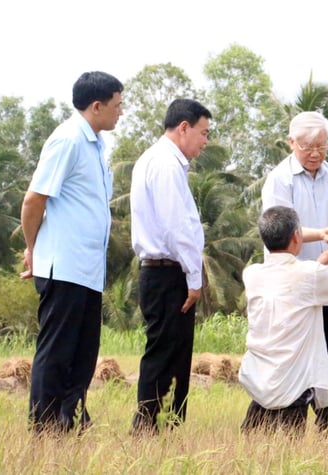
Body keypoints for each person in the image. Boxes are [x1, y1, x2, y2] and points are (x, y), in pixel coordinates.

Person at [20, 71, 123, 434]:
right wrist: (33, 250)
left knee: (83, 354)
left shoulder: (95, 144)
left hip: (87, 268)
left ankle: (70, 422)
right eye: (116, 105)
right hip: (62, 265)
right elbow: (34, 200)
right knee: (57, 352)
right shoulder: (67, 140)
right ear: (96, 106)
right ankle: (44, 426)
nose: (120, 112)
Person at [261, 110, 328, 430]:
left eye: (322, 146)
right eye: (307, 146)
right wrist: (322, 235)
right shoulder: (279, 179)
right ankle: (272, 425)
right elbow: (280, 231)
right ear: (291, 142)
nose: (315, 153)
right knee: (292, 361)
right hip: (292, 287)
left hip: (325, 284)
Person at [239, 205, 328, 434]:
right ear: (296, 237)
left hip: (260, 380)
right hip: (292, 384)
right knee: (285, 458)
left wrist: (319, 264)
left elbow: (291, 288)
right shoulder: (309, 274)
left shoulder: (252, 274)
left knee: (252, 452)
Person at [129, 98, 212, 435]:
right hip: (167, 271)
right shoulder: (165, 164)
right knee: (165, 353)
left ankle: (165, 427)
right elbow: (176, 228)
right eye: (203, 133)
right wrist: (194, 278)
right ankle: (149, 427)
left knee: (174, 354)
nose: (205, 141)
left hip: (163, 270)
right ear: (183, 128)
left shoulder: (161, 161)